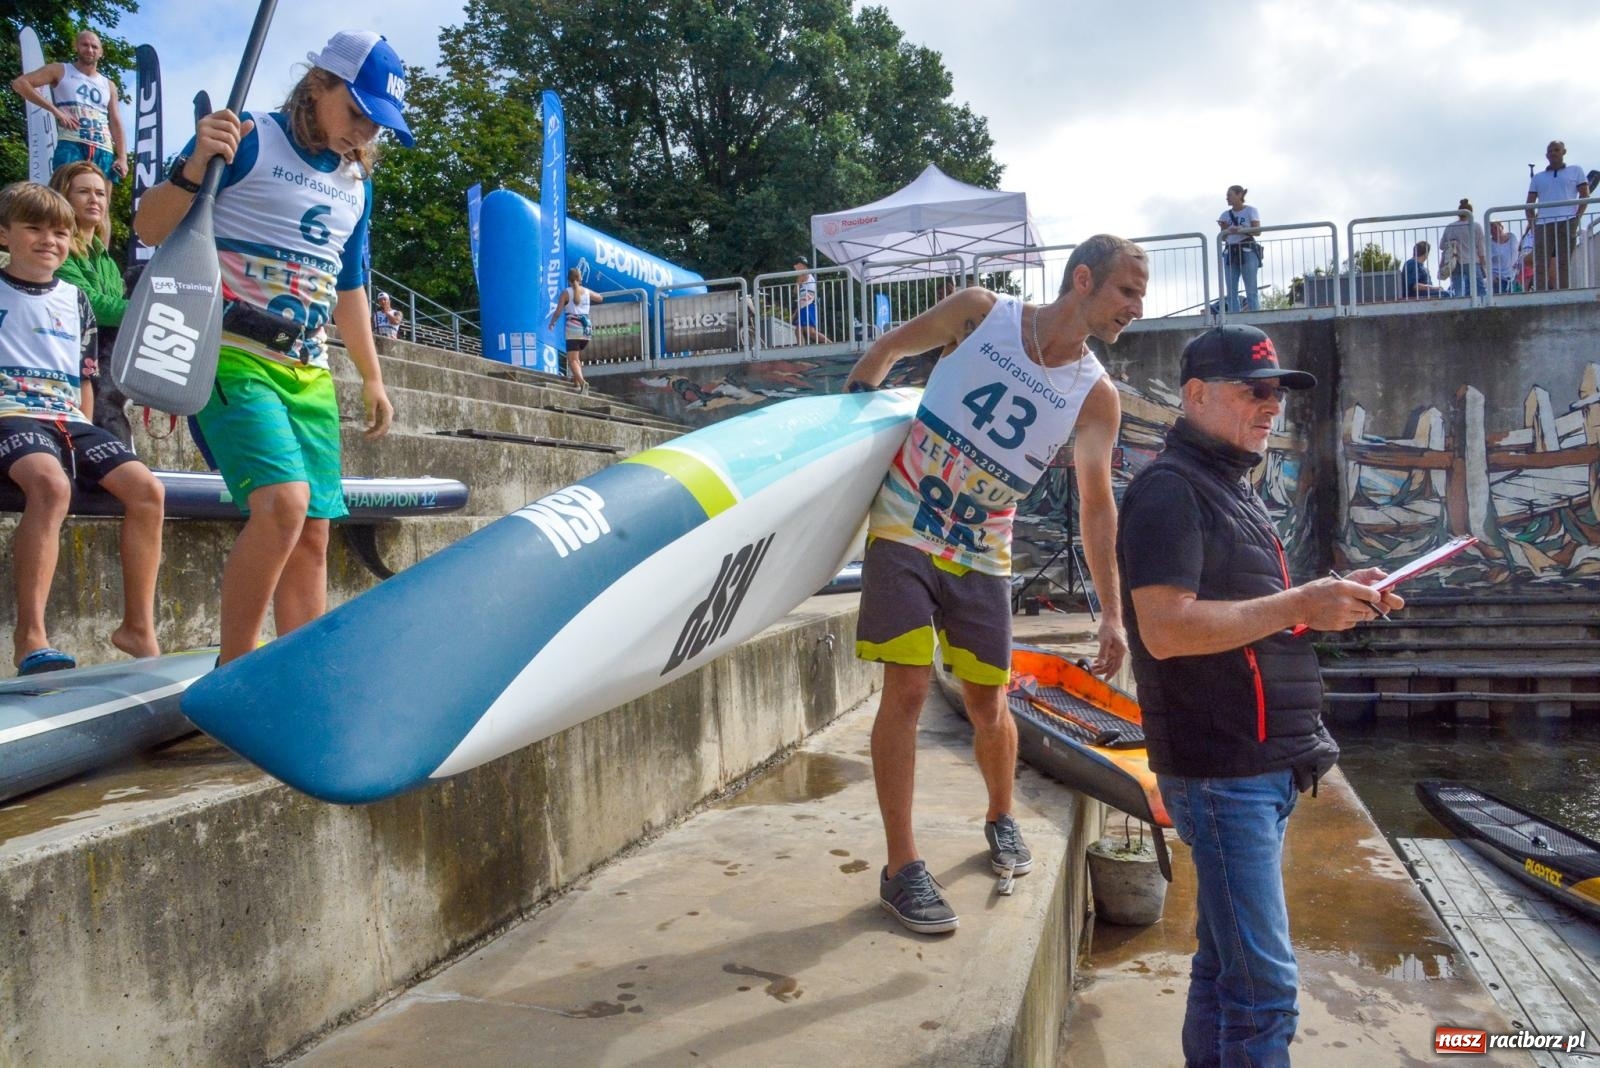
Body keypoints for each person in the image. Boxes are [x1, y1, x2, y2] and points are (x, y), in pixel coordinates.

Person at [1116, 324, 1404, 1066]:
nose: (1272, 405)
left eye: (1277, 392)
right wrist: (1299, 601)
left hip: (1262, 766)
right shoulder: (1169, 490)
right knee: (1265, 990)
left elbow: (1253, 617)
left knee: (1225, 968)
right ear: (1196, 395)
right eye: (1255, 391)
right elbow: (1166, 630)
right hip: (1223, 771)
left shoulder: (1227, 488)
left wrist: (1328, 600)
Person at [844, 233, 1141, 935]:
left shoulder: (1096, 396)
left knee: (988, 702)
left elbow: (1097, 503)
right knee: (906, 690)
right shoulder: (981, 313)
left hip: (983, 553)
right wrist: (849, 421)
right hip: (905, 528)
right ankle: (901, 867)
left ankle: (1001, 815)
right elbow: (886, 352)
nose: (1135, 308)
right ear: (1083, 280)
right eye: (1127, 291)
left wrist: (1111, 613)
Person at [133, 30, 408, 667]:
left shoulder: (357, 183)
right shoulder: (245, 136)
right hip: (229, 351)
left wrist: (372, 375)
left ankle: (296, 676)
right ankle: (236, 671)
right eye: (356, 112)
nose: (365, 132)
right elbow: (148, 227)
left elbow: (349, 286)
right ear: (317, 85)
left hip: (308, 368)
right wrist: (192, 168)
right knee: (284, 502)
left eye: (377, 124)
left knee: (313, 531)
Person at [0, 182, 164, 675]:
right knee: (51, 486)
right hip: (10, 413)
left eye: (59, 232)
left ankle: (137, 627)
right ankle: (30, 637)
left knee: (148, 491)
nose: (49, 240)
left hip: (69, 418)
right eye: (34, 229)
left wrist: (88, 436)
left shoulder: (76, 299)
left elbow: (85, 375)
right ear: (5, 234)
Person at [48, 161, 132, 444]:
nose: (94, 199)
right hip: (70, 359)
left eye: (100, 193)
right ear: (64, 197)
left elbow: (114, 307)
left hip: (105, 358)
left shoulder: (107, 260)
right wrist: (147, 312)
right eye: (84, 192)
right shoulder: (56, 250)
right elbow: (88, 303)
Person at [11, 30, 129, 183]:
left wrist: (122, 157)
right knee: (65, 190)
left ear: (101, 52)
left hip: (103, 148)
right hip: (71, 142)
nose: (90, 50)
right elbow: (20, 84)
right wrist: (55, 111)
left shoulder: (109, 85)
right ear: (76, 47)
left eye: (94, 47)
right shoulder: (60, 70)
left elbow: (115, 120)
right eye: (85, 45)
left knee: (100, 195)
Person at [1525, 140, 1590, 292]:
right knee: (1541, 261)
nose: (1553, 153)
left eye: (1556, 150)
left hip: (1568, 220)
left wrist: (1577, 217)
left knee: (1564, 260)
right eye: (1550, 151)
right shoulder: (1538, 177)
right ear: (1546, 155)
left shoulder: (1576, 170)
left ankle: (1564, 291)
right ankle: (1540, 292)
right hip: (1543, 223)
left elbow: (1585, 195)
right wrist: (1533, 224)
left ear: (1563, 152)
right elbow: (1529, 203)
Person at [546, 266, 605, 392]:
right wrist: (587, 294)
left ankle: (583, 383)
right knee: (576, 358)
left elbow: (558, 312)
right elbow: (600, 298)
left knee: (572, 359)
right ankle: (577, 382)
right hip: (586, 329)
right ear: (580, 278)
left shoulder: (566, 293)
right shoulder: (586, 291)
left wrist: (552, 323)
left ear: (568, 280)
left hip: (573, 329)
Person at [1218, 186, 1262, 313]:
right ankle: (1234, 316)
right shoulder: (1225, 215)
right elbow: (1223, 237)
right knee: (1231, 290)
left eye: (1230, 195)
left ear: (1239, 195)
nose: (1227, 198)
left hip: (1247, 249)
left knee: (1251, 289)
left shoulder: (1251, 211)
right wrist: (1225, 229)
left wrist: (1241, 229)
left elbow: (1258, 231)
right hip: (1230, 251)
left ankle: (1255, 315)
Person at [1438, 199, 1487, 299]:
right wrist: (1484, 265)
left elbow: (1442, 246)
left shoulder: (1450, 227)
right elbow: (1481, 249)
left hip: (1454, 262)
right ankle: (1482, 305)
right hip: (1472, 261)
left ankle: (1459, 305)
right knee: (1479, 290)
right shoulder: (1476, 226)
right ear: (1471, 213)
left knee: (1458, 290)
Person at [792, 258, 830, 343]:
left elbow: (795, 291)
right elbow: (802, 296)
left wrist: (797, 283)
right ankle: (802, 349)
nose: (794, 267)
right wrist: (796, 312)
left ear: (801, 265)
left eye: (796, 265)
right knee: (798, 331)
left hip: (808, 305)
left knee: (810, 332)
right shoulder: (809, 275)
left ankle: (831, 344)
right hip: (805, 305)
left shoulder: (803, 274)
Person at [1488, 220, 1521, 294]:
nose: (1494, 231)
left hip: (1513, 276)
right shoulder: (1489, 243)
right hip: (1498, 278)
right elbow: (1485, 261)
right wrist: (1491, 276)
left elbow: (1518, 251)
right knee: (1500, 299)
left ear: (1501, 227)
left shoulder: (1512, 237)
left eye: (1495, 228)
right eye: (1491, 230)